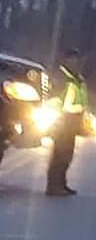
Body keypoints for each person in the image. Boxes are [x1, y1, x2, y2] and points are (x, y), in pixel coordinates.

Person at [47, 48, 88, 197]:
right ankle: (53, 186)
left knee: (67, 155)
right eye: (72, 59)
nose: (75, 62)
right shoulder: (62, 77)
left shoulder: (77, 78)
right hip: (63, 120)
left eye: (77, 60)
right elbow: (60, 101)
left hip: (73, 121)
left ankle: (62, 184)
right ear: (65, 60)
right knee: (60, 155)